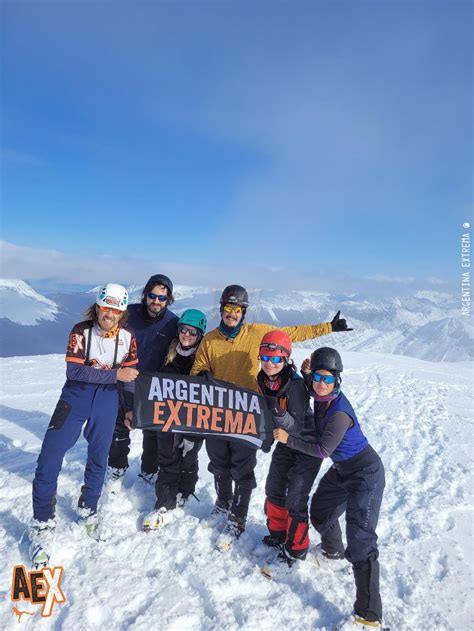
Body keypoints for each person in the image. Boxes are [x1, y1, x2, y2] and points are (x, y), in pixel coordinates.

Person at [191, 284, 352, 546]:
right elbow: (197, 368)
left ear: (243, 311)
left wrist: (328, 328)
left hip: (248, 413)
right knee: (219, 462)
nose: (231, 313)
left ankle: (237, 518)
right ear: (221, 309)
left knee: (242, 468)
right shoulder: (209, 340)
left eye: (237, 309)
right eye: (227, 308)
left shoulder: (258, 333)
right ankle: (222, 503)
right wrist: (200, 377)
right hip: (217, 412)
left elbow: (293, 334)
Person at [273, 347, 385, 631]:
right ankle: (333, 551)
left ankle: (369, 614)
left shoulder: (338, 413)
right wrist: (307, 371)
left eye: (328, 379)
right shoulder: (319, 392)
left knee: (360, 538)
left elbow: (322, 450)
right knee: (321, 512)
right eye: (318, 378)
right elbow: (311, 381)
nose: (322, 383)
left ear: (338, 381)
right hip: (343, 470)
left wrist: (288, 440)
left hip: (365, 474)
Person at [29, 284, 139, 566]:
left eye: (116, 309)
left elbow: (130, 380)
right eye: (106, 307)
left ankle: (89, 508)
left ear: (122, 312)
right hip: (75, 395)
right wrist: (116, 374)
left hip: (107, 400)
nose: (110, 314)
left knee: (99, 458)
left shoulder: (128, 338)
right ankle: (42, 522)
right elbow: (74, 369)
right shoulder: (81, 331)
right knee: (49, 458)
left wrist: (128, 410)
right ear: (98, 306)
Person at [258, 331, 322, 569]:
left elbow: (295, 424)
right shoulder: (263, 379)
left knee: (295, 496)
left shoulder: (294, 385)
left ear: (285, 359)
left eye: (276, 359)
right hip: (285, 442)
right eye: (265, 357)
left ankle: (297, 549)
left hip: (306, 444)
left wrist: (277, 413)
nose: (269, 363)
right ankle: (278, 534)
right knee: (274, 488)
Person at [107, 274, 178, 488]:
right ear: (145, 295)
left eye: (162, 298)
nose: (156, 301)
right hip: (125, 377)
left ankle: (149, 470)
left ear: (169, 300)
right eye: (152, 296)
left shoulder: (173, 323)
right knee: (120, 427)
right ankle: (117, 468)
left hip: (153, 384)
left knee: (152, 432)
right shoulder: (129, 314)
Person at [141, 309, 208, 530]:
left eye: (192, 331)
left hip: (193, 421)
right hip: (167, 419)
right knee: (168, 459)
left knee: (189, 458)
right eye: (182, 330)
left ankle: (186, 492)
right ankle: (164, 505)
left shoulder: (204, 361)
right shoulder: (168, 354)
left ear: (200, 334)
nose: (186, 335)